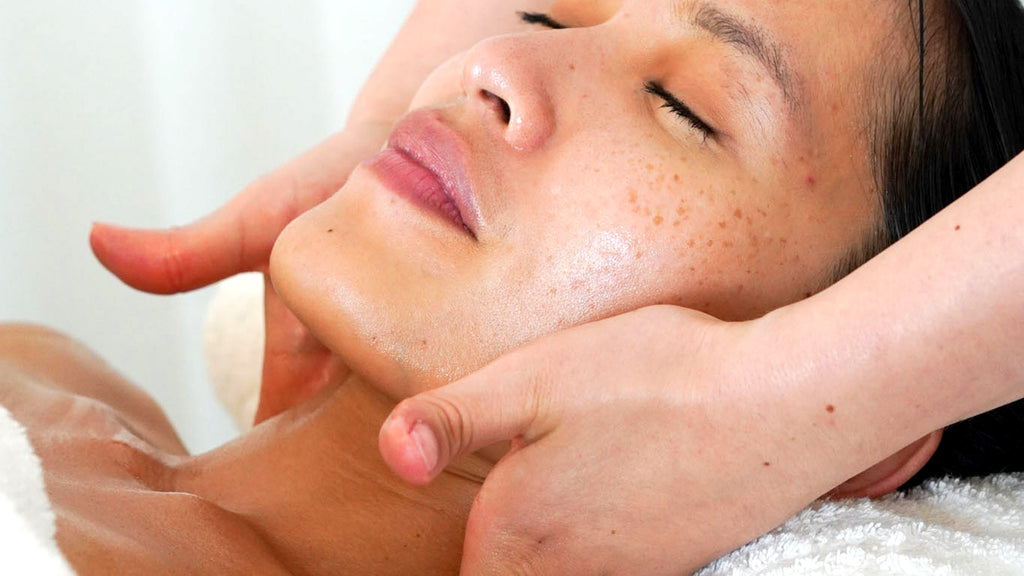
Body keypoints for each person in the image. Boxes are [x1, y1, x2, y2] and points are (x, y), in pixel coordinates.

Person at [66, 0, 1022, 574]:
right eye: (548, 13)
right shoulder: (55, 379)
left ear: (848, 435)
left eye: (681, 107)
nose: (498, 62)